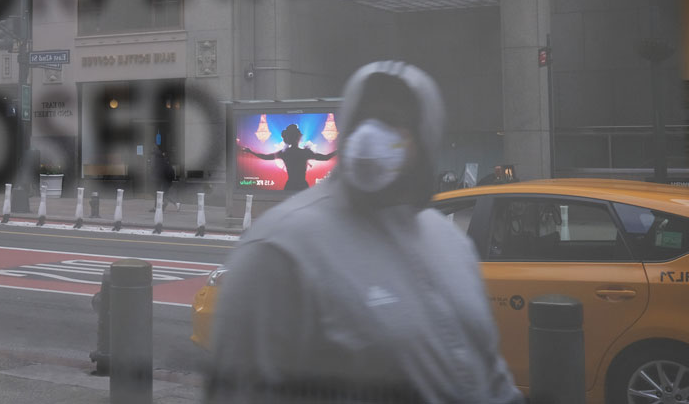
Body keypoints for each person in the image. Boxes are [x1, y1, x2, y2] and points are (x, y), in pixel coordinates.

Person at [205, 61, 523, 404]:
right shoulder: (279, 250)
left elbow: (491, 377)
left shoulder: (450, 243)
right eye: (364, 118)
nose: (373, 134)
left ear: (425, 138)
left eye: (395, 121)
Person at [241, 123, 338, 191]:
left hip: (290, 186)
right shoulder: (304, 153)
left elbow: (265, 157)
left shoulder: (285, 153)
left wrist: (251, 152)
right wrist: (339, 150)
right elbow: (326, 157)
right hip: (302, 187)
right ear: (298, 137)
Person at [149, 147, 181, 211]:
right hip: (166, 179)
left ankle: (172, 203)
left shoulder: (158, 160)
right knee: (161, 193)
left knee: (160, 193)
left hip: (165, 180)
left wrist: (155, 178)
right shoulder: (162, 159)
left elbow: (159, 172)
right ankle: (163, 205)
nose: (151, 157)